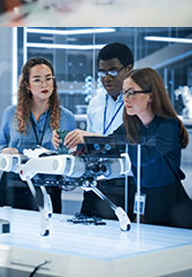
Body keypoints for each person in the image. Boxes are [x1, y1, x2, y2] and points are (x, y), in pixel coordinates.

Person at [62, 68, 192, 229]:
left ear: (150, 95)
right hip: (145, 203)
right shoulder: (132, 125)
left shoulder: (168, 125)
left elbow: (143, 155)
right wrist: (78, 145)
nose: (125, 99)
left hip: (174, 208)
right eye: (124, 93)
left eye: (131, 93)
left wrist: (90, 138)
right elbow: (109, 146)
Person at [53, 42, 136, 219]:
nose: (107, 78)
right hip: (94, 182)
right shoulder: (96, 102)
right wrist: (75, 149)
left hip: (124, 183)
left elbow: (127, 144)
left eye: (113, 71)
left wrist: (88, 137)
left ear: (129, 68)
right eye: (102, 72)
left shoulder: (136, 103)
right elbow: (92, 148)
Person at [0, 57, 76, 213]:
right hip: (14, 186)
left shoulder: (66, 117)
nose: (44, 84)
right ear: (27, 85)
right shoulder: (11, 113)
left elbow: (70, 157)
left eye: (48, 79)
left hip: (48, 187)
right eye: (37, 80)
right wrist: (4, 152)